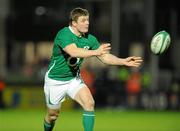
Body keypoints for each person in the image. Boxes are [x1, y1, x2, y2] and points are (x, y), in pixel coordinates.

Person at [43, 7, 143, 131]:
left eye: (88, 20)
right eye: (83, 20)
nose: (87, 23)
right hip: (55, 81)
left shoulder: (90, 39)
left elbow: (104, 57)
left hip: (74, 79)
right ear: (74, 23)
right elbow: (73, 51)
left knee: (89, 103)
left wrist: (123, 61)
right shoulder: (64, 34)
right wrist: (96, 51)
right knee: (52, 116)